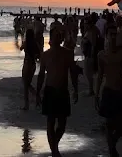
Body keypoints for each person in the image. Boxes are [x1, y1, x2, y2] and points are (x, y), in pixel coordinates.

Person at [36, 28, 74, 157]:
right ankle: (55, 152)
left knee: (62, 124)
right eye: (55, 36)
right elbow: (41, 75)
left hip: (63, 90)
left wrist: (76, 90)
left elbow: (73, 73)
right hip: (50, 90)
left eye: (60, 35)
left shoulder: (68, 54)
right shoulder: (45, 55)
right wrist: (37, 92)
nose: (58, 37)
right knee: (50, 122)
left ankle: (54, 147)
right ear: (50, 39)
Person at [96, 25, 122, 157]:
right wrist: (96, 93)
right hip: (108, 91)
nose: (114, 37)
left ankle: (112, 145)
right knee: (109, 124)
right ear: (107, 37)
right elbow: (99, 75)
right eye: (111, 34)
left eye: (116, 34)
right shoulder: (102, 55)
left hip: (119, 92)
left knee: (120, 125)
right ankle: (112, 151)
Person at [22, 27, 39, 110]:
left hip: (27, 63)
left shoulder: (26, 43)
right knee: (27, 84)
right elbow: (38, 55)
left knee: (25, 84)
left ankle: (27, 104)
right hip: (33, 64)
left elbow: (20, 48)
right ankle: (37, 97)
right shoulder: (35, 43)